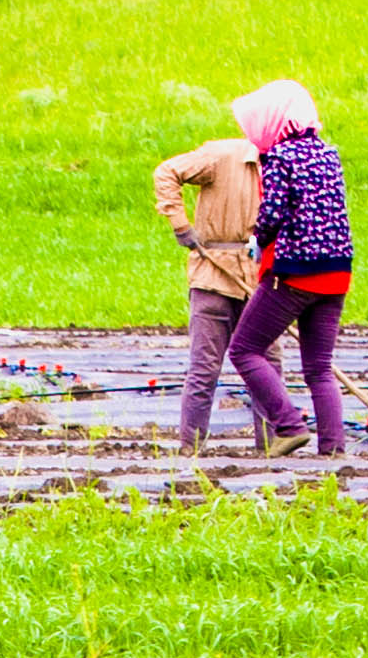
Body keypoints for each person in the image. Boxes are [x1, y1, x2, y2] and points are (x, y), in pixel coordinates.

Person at [150, 110, 299, 452]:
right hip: (212, 272)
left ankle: (272, 445)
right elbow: (167, 172)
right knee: (204, 367)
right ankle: (191, 447)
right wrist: (181, 225)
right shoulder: (221, 155)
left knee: (268, 365)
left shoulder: (286, 168)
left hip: (262, 279)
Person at [230, 73, 353, 460]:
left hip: (295, 272)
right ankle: (332, 449)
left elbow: (272, 213)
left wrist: (257, 241)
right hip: (337, 274)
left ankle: (289, 425)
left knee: (245, 349)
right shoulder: (329, 154)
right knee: (319, 367)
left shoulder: (282, 157)